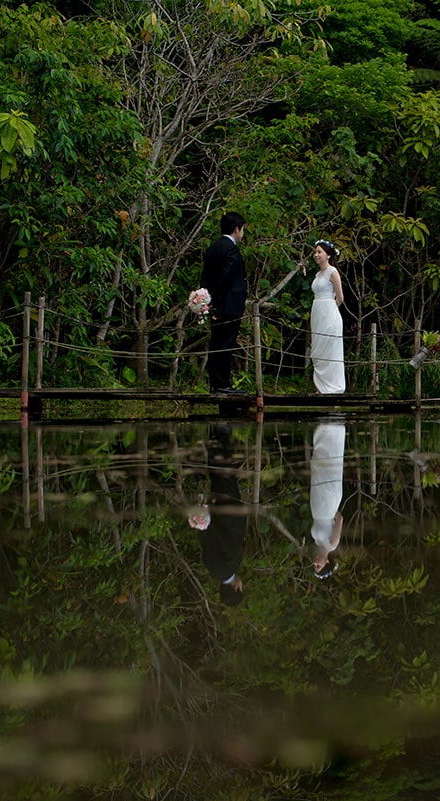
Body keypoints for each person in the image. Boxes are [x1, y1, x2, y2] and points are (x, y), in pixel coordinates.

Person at [197, 423, 247, 605]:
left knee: (225, 470)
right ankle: (214, 432)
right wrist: (204, 518)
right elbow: (205, 541)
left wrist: (211, 520)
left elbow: (223, 539)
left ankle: (222, 430)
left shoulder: (231, 566)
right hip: (217, 508)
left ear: (237, 588)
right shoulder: (211, 568)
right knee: (216, 472)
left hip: (228, 509)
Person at [199, 211, 248, 395]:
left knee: (217, 343)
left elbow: (206, 277)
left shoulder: (213, 247)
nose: (243, 233)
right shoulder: (231, 249)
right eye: (242, 229)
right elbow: (225, 277)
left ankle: (215, 383)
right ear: (237, 229)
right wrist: (217, 296)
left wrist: (207, 299)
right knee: (225, 344)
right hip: (229, 304)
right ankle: (222, 384)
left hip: (215, 305)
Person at [309, 420, 346, 578]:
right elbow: (340, 518)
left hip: (316, 506)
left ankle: (322, 429)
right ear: (327, 562)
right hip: (328, 503)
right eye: (319, 566)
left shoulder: (316, 541)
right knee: (328, 465)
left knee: (317, 465)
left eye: (314, 566)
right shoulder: (332, 544)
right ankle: (333, 429)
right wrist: (331, 505)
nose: (315, 563)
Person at [309, 239, 346, 394]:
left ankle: (333, 387)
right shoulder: (318, 274)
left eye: (319, 252)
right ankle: (321, 386)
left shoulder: (333, 272)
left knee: (330, 349)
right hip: (317, 312)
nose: (316, 255)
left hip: (329, 313)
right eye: (315, 252)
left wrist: (330, 311)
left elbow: (340, 297)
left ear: (328, 255)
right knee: (318, 349)